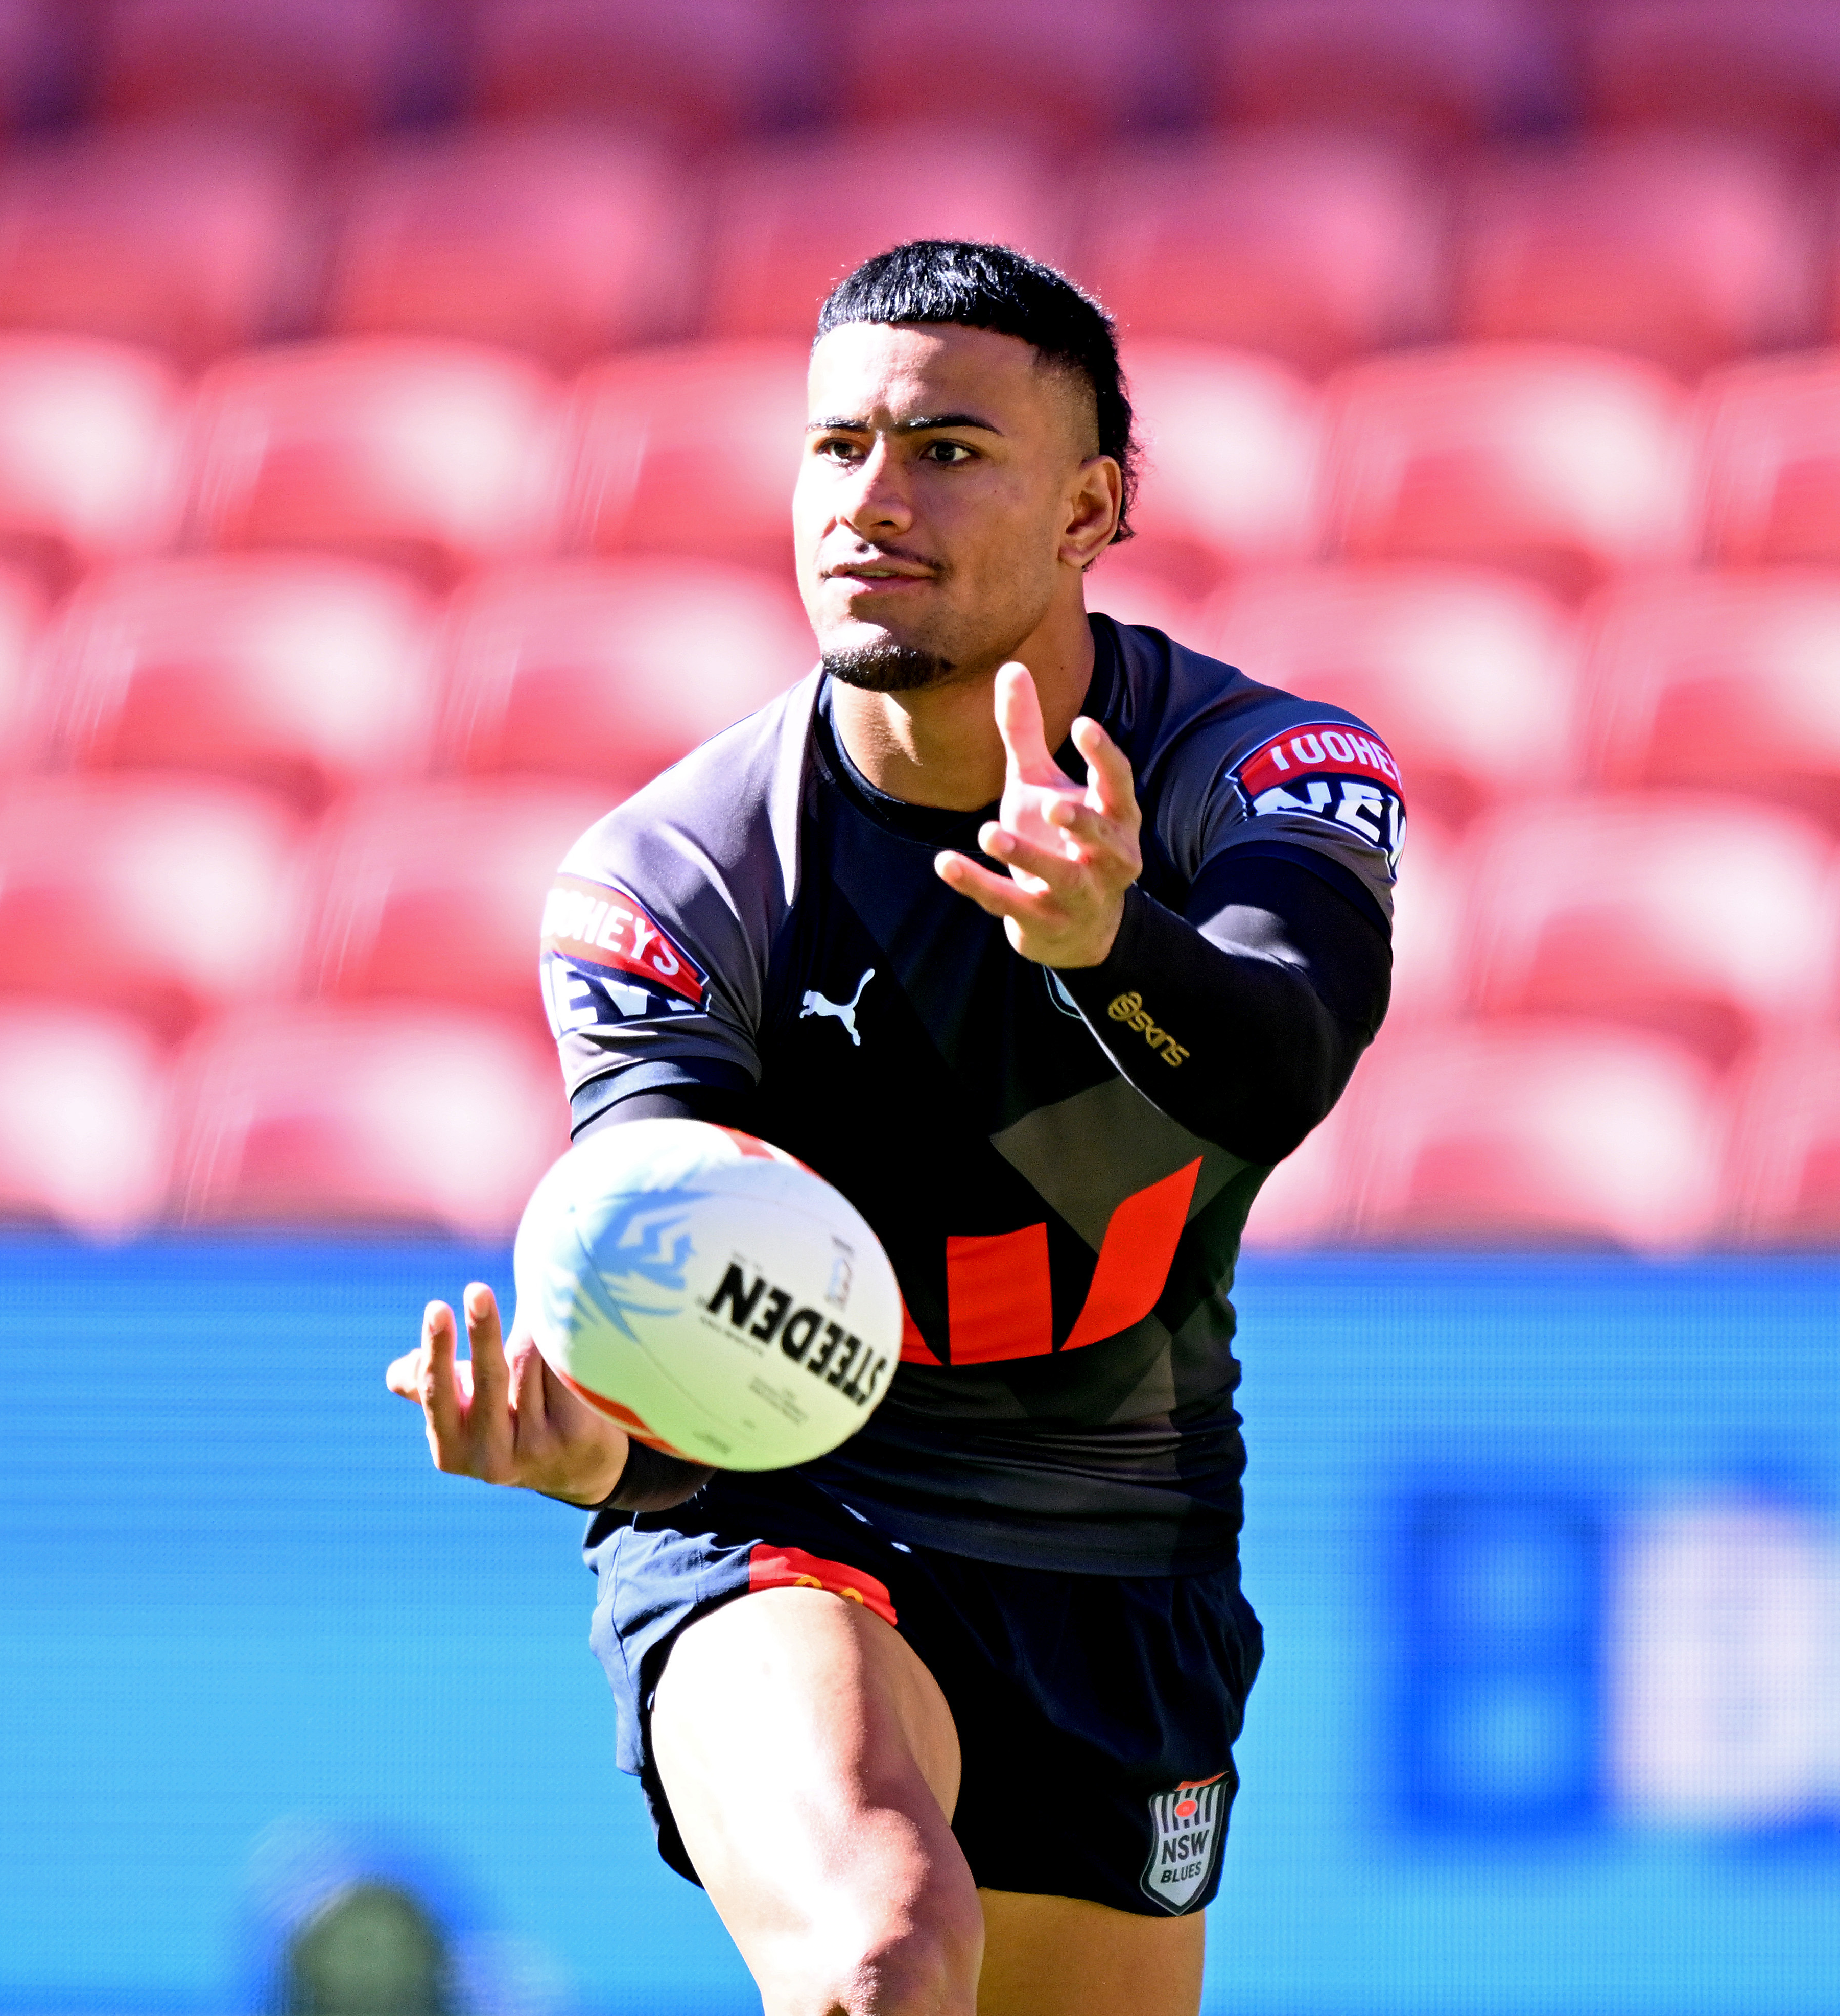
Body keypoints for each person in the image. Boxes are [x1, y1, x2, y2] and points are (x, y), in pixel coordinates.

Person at [387, 241, 1397, 2016]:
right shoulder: (678, 877)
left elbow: (1279, 1060)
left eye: (943, 449)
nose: (872, 498)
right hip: (790, 1506)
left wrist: (1109, 942)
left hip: (1121, 1538)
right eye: (834, 446)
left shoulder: (1256, 774)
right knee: (882, 1951)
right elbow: (674, 1281)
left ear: (1090, 509)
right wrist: (600, 1454)